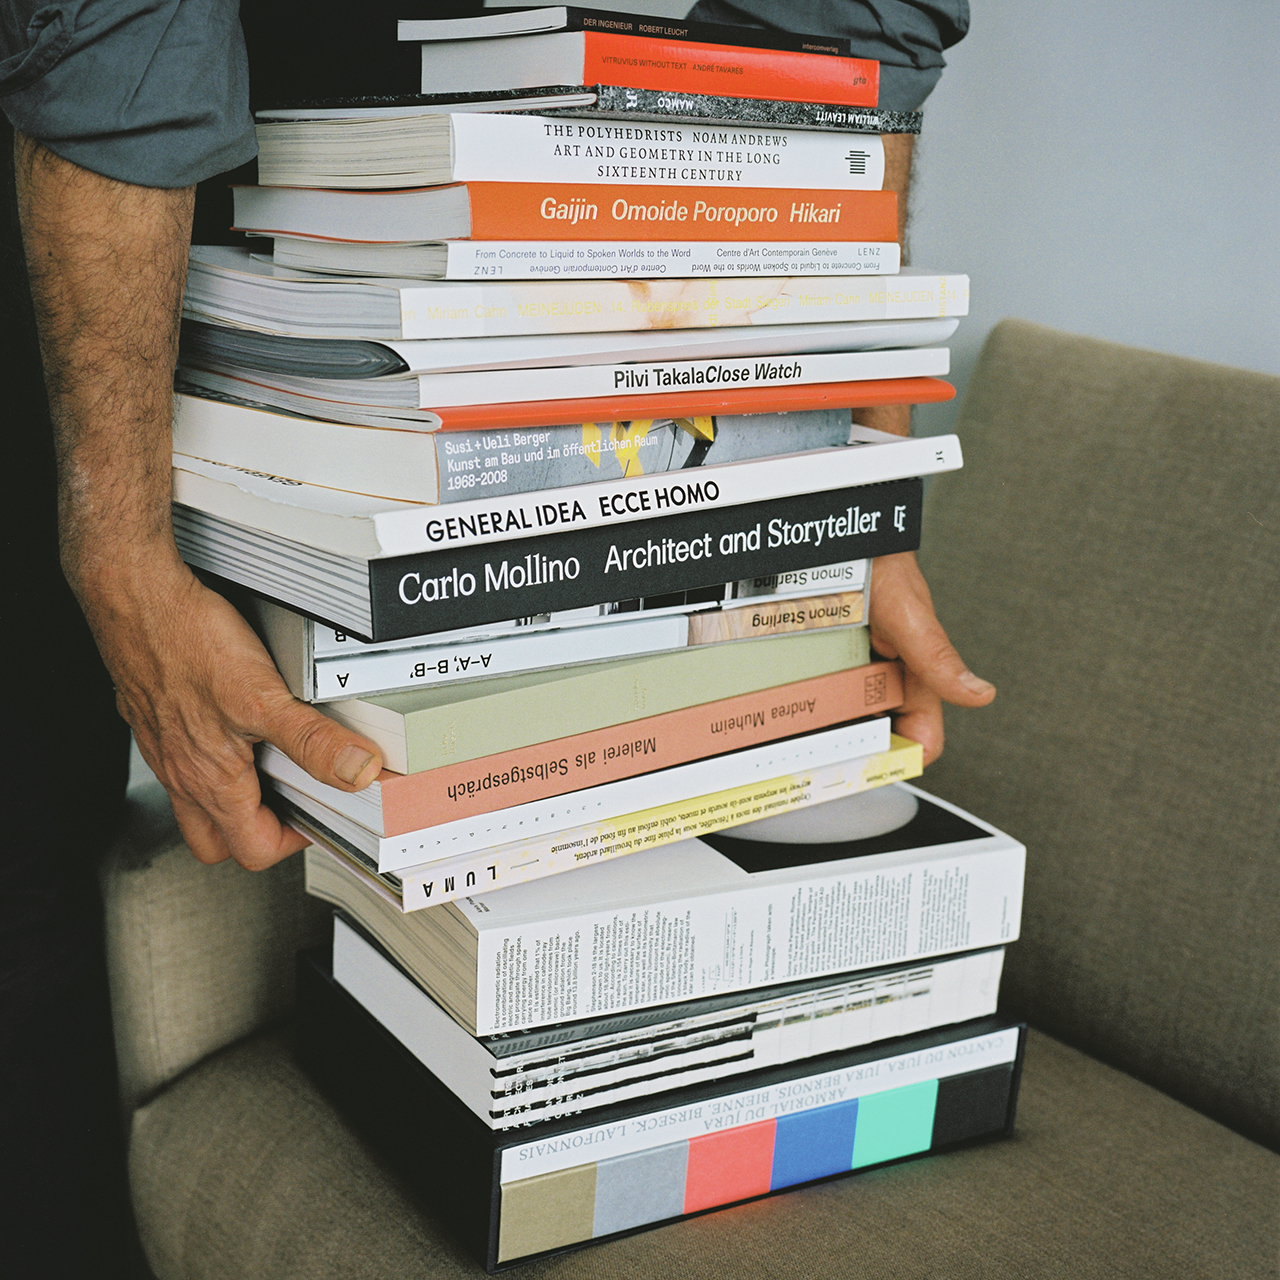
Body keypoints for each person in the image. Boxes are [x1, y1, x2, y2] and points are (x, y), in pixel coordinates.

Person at [0, 1, 988, 1275]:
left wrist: (849, 495)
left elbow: (859, 39)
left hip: (430, 227)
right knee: (27, 822)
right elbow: (114, 42)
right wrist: (121, 547)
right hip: (174, 195)